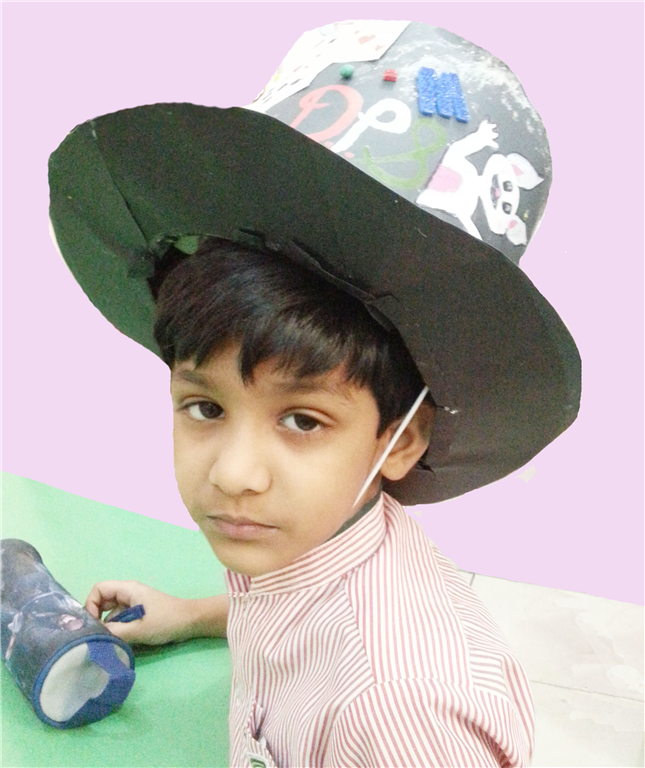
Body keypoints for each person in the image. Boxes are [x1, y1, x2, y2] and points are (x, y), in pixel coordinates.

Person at [49, 20, 581, 768]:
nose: (234, 473)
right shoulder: (301, 534)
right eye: (205, 407)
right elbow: (284, 607)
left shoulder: (396, 716)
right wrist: (194, 616)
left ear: (401, 438)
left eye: (302, 420)